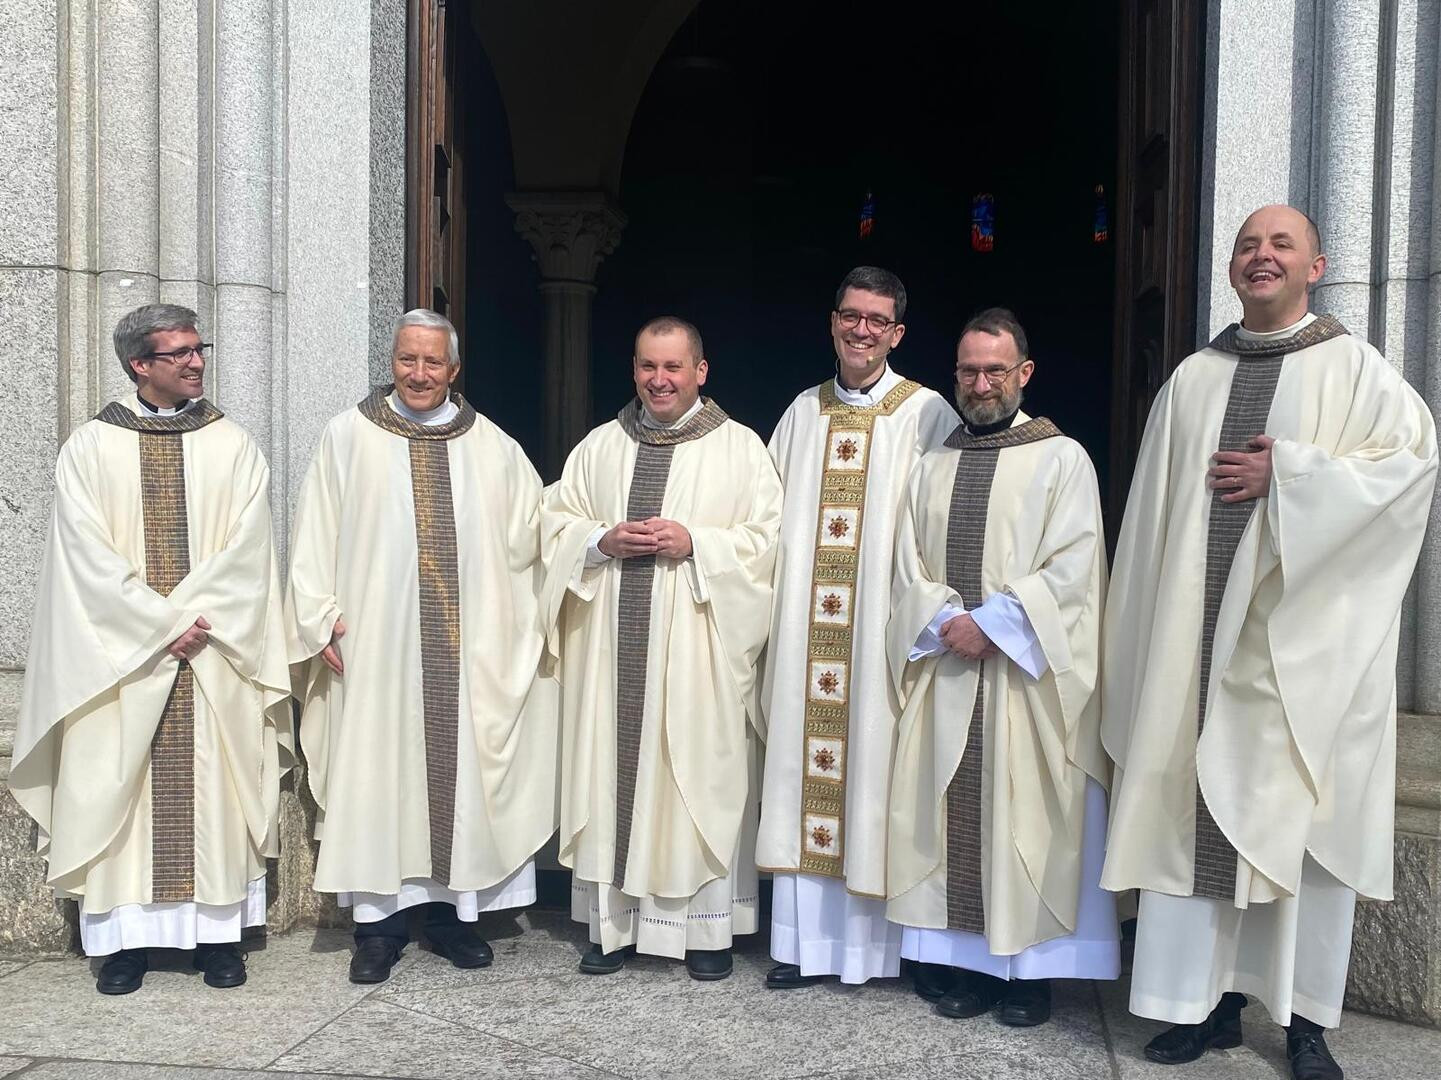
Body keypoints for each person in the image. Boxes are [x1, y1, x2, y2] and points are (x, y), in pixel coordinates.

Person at [1101, 205, 1438, 1080]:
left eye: (1280, 244)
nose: (1261, 256)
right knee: (1192, 814)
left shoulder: (1356, 370)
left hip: (1296, 663)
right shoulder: (1192, 379)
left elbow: (1406, 476)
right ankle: (1202, 1005)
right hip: (1194, 650)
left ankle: (1302, 1023)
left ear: (1315, 265)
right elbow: (1148, 525)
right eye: (1248, 244)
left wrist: (1287, 474)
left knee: (1292, 825)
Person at [10, 303, 292, 994]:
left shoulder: (233, 444)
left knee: (215, 792)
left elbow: (249, 549)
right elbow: (83, 558)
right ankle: (125, 945)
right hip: (122, 662)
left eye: (200, 349)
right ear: (140, 364)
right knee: (121, 789)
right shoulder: (89, 448)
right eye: (181, 353)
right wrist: (163, 625)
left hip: (213, 654)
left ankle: (217, 938)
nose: (197, 362)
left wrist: (197, 621)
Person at [286, 308, 557, 984]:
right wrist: (317, 617)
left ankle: (447, 920)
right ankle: (376, 929)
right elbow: (314, 530)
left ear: (454, 369)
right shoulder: (347, 437)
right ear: (392, 361)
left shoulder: (492, 447)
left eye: (432, 362)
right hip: (375, 647)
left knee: (456, 780)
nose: (419, 373)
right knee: (377, 777)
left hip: (466, 655)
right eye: (408, 359)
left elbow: (535, 533)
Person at [886, 308, 1118, 1026]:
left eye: (994, 370)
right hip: (949, 670)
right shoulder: (931, 462)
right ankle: (971, 969)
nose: (980, 384)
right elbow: (905, 567)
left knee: (1026, 821)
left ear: (1024, 373)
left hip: (1025, 682)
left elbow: (1077, 569)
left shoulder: (1061, 458)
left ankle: (1030, 977)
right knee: (951, 818)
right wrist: (944, 620)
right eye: (967, 370)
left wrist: (995, 623)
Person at [541, 316, 781, 981]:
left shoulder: (740, 450)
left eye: (673, 367)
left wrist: (697, 543)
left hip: (697, 663)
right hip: (611, 666)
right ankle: (611, 929)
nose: (659, 380)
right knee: (613, 777)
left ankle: (706, 934)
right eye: (648, 366)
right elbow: (548, 523)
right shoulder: (599, 447)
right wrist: (596, 541)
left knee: (694, 779)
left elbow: (769, 545)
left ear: (700, 371)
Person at [757, 266, 957, 990]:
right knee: (803, 777)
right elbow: (766, 524)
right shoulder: (799, 414)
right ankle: (805, 950)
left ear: (897, 333)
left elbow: (942, 522)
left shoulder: (928, 412)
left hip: (880, 637)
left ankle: (890, 954)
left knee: (878, 782)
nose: (861, 330)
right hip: (806, 639)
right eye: (850, 316)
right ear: (832, 321)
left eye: (876, 320)